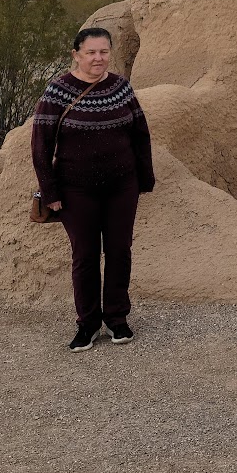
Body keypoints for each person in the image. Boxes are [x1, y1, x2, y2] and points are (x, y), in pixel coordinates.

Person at [32, 27, 155, 352]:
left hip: (121, 186)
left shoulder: (120, 87)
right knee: (85, 257)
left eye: (103, 52)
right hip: (76, 190)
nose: (98, 58)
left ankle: (117, 319)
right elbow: (41, 145)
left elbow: (140, 133)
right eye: (91, 52)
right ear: (76, 54)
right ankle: (87, 324)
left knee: (119, 252)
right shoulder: (57, 91)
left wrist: (145, 178)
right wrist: (50, 192)